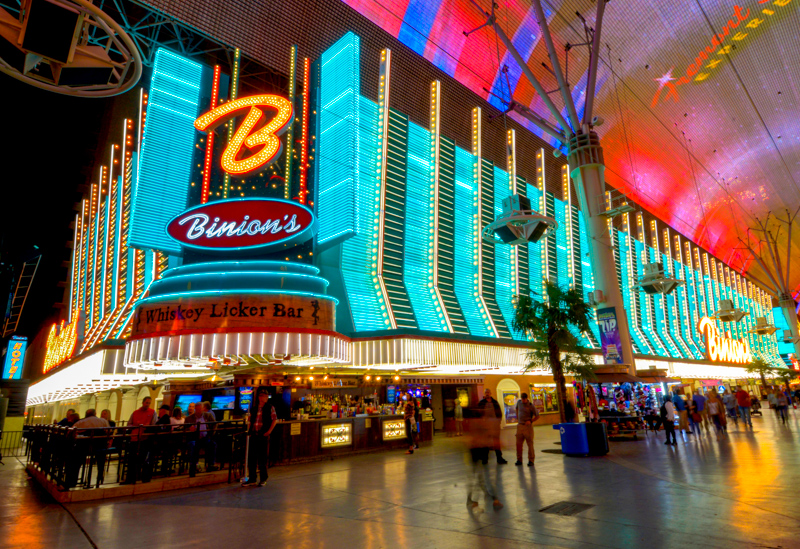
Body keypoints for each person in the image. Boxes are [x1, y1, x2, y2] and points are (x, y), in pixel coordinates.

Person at [243, 388, 278, 486]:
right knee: (252, 458)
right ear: (259, 397)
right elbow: (250, 421)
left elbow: (275, 420)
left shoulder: (270, 407)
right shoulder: (254, 408)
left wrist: (269, 432)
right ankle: (252, 478)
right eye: (261, 396)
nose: (263, 398)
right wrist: (249, 431)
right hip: (254, 434)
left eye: (265, 396)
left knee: (262, 458)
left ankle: (263, 478)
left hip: (263, 435)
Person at [124, 396, 157, 484]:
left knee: (143, 460)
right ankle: (131, 479)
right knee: (132, 460)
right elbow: (129, 424)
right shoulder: (135, 413)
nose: (147, 404)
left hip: (145, 439)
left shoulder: (152, 412)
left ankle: (143, 478)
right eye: (146, 402)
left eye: (149, 403)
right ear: (143, 402)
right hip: (134, 438)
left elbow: (154, 425)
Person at [185, 401, 218, 476]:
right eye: (197, 409)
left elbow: (215, 424)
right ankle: (193, 465)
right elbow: (184, 429)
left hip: (204, 437)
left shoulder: (208, 415)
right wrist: (189, 429)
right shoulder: (189, 418)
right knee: (193, 445)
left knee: (212, 444)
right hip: (193, 438)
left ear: (203, 409)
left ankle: (211, 464)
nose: (198, 411)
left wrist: (211, 433)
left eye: (200, 409)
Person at [477, 389, 508, 464]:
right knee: (486, 442)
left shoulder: (495, 402)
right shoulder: (481, 403)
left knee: (496, 442)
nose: (487, 394)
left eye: (488, 392)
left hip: (495, 426)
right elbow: (478, 414)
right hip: (486, 427)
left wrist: (498, 422)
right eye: (486, 393)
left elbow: (499, 413)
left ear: (490, 393)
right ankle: (485, 459)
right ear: (484, 394)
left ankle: (499, 458)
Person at [514, 393, 538, 466]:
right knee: (518, 444)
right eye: (522, 399)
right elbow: (517, 408)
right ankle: (519, 460)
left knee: (530, 444)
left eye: (524, 399)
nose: (523, 400)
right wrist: (518, 418)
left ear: (526, 398)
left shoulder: (531, 405)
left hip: (528, 427)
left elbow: (537, 415)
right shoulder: (519, 402)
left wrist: (530, 421)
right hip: (520, 426)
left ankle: (531, 460)